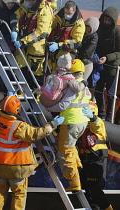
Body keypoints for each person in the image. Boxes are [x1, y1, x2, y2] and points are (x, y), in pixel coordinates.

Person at [0, 91, 64, 209]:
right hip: (16, 168)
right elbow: (36, 134)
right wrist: (52, 124)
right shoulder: (19, 126)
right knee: (18, 195)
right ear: (17, 110)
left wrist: (7, 98)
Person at [46, 59, 91, 191]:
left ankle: (74, 182)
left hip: (71, 121)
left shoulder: (73, 85)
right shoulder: (85, 86)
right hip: (82, 122)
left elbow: (63, 105)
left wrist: (48, 108)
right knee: (71, 149)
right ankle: (78, 169)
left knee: (64, 152)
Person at [10, 0, 54, 88]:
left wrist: (23, 42)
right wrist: (14, 29)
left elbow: (41, 32)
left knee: (36, 75)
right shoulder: (25, 7)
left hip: (36, 48)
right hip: (22, 46)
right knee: (19, 70)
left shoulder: (44, 10)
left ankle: (36, 96)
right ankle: (18, 92)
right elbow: (15, 17)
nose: (25, 1)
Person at [78, 101, 113, 210]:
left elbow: (97, 124)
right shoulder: (81, 126)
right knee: (88, 191)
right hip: (85, 159)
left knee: (96, 191)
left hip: (96, 159)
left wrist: (92, 117)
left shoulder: (98, 123)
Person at [95, 6, 120, 122]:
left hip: (112, 66)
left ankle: (109, 118)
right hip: (99, 63)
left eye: (109, 20)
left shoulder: (117, 32)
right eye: (105, 19)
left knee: (111, 94)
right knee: (98, 90)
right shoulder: (99, 29)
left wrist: (107, 58)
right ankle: (101, 115)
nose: (106, 22)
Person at [48, 0, 85, 73]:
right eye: (66, 13)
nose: (67, 15)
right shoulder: (59, 17)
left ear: (74, 11)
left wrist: (59, 45)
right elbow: (52, 28)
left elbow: (76, 42)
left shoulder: (79, 24)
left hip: (67, 53)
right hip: (54, 51)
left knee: (61, 74)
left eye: (69, 13)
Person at [78, 17, 99, 81]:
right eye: (86, 26)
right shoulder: (80, 32)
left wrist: (77, 51)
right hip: (77, 61)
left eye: (89, 28)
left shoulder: (94, 37)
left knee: (81, 82)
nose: (87, 29)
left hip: (86, 63)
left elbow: (88, 52)